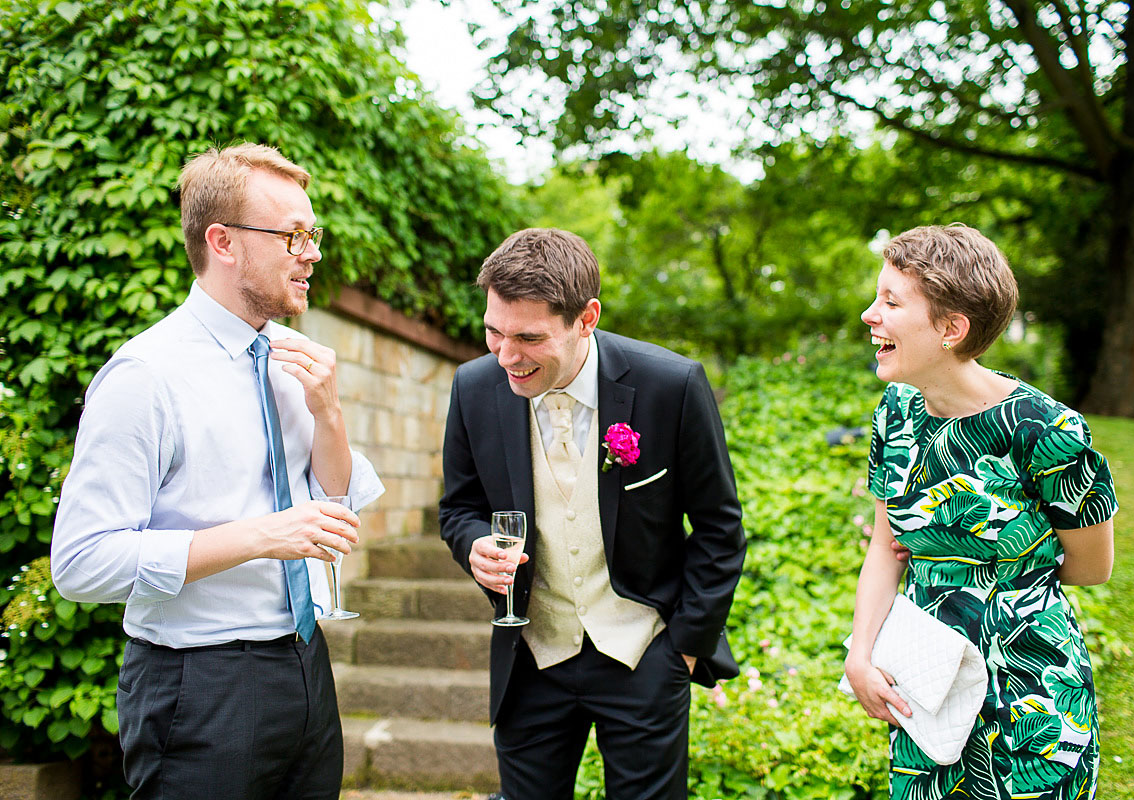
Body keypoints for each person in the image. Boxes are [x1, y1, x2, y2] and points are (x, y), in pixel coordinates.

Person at [51, 142, 384, 799]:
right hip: (198, 687)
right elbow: (81, 562)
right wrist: (261, 536)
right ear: (224, 242)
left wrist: (330, 414)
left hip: (306, 667)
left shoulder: (294, 356)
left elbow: (340, 500)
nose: (311, 250)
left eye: (311, 233)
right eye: (292, 234)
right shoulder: (145, 376)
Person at [439, 228, 746, 800]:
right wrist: (475, 543)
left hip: (643, 654)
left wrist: (681, 648)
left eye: (528, 338)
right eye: (493, 332)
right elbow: (459, 507)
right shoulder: (474, 386)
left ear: (587, 318)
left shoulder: (671, 385)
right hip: (531, 655)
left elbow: (719, 528)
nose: (506, 356)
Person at [847, 224, 1117, 799]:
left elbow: (1092, 565)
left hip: (1032, 695)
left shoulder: (1045, 429)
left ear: (951, 329)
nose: (870, 315)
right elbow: (882, 547)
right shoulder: (893, 412)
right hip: (926, 685)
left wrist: (993, 573)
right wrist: (861, 656)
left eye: (891, 302)